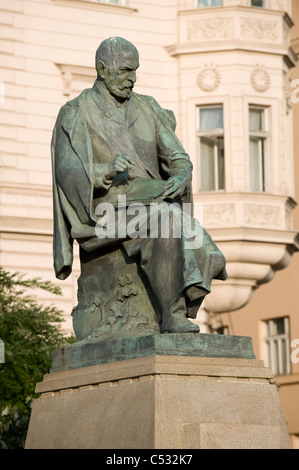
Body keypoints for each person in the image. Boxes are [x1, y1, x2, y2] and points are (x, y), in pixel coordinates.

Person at [51, 37, 227, 340]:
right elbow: (66, 171)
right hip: (101, 211)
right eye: (124, 71)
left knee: (193, 235)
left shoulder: (147, 107)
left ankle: (175, 304)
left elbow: (177, 157)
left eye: (135, 71)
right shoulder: (75, 112)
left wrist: (181, 176)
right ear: (102, 70)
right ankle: (171, 315)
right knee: (166, 220)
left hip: (151, 197)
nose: (131, 79)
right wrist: (104, 171)